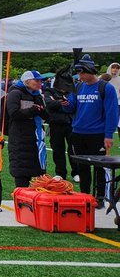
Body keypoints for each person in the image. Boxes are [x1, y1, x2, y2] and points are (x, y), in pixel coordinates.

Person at [63, 56, 119, 207]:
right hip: (78, 133)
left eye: (82, 73)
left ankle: (100, 198)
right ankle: (84, 196)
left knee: (100, 168)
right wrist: (65, 103)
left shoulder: (106, 88)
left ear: (90, 71)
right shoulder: (78, 87)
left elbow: (112, 112)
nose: (80, 76)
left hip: (97, 134)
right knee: (83, 167)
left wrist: (108, 135)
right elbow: (71, 107)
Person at [6, 71, 48, 188]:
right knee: (21, 172)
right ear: (27, 81)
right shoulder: (15, 93)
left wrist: (42, 111)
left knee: (39, 170)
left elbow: (47, 115)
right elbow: (13, 113)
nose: (40, 83)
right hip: (20, 137)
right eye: (37, 80)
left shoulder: (37, 95)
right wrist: (32, 110)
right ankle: (20, 201)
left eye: (41, 81)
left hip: (36, 137)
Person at [43, 64, 75, 180]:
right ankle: (60, 172)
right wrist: (60, 103)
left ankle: (75, 172)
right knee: (58, 149)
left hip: (70, 123)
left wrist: (58, 103)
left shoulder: (72, 92)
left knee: (73, 149)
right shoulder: (49, 91)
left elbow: (73, 105)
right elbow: (49, 104)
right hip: (55, 124)